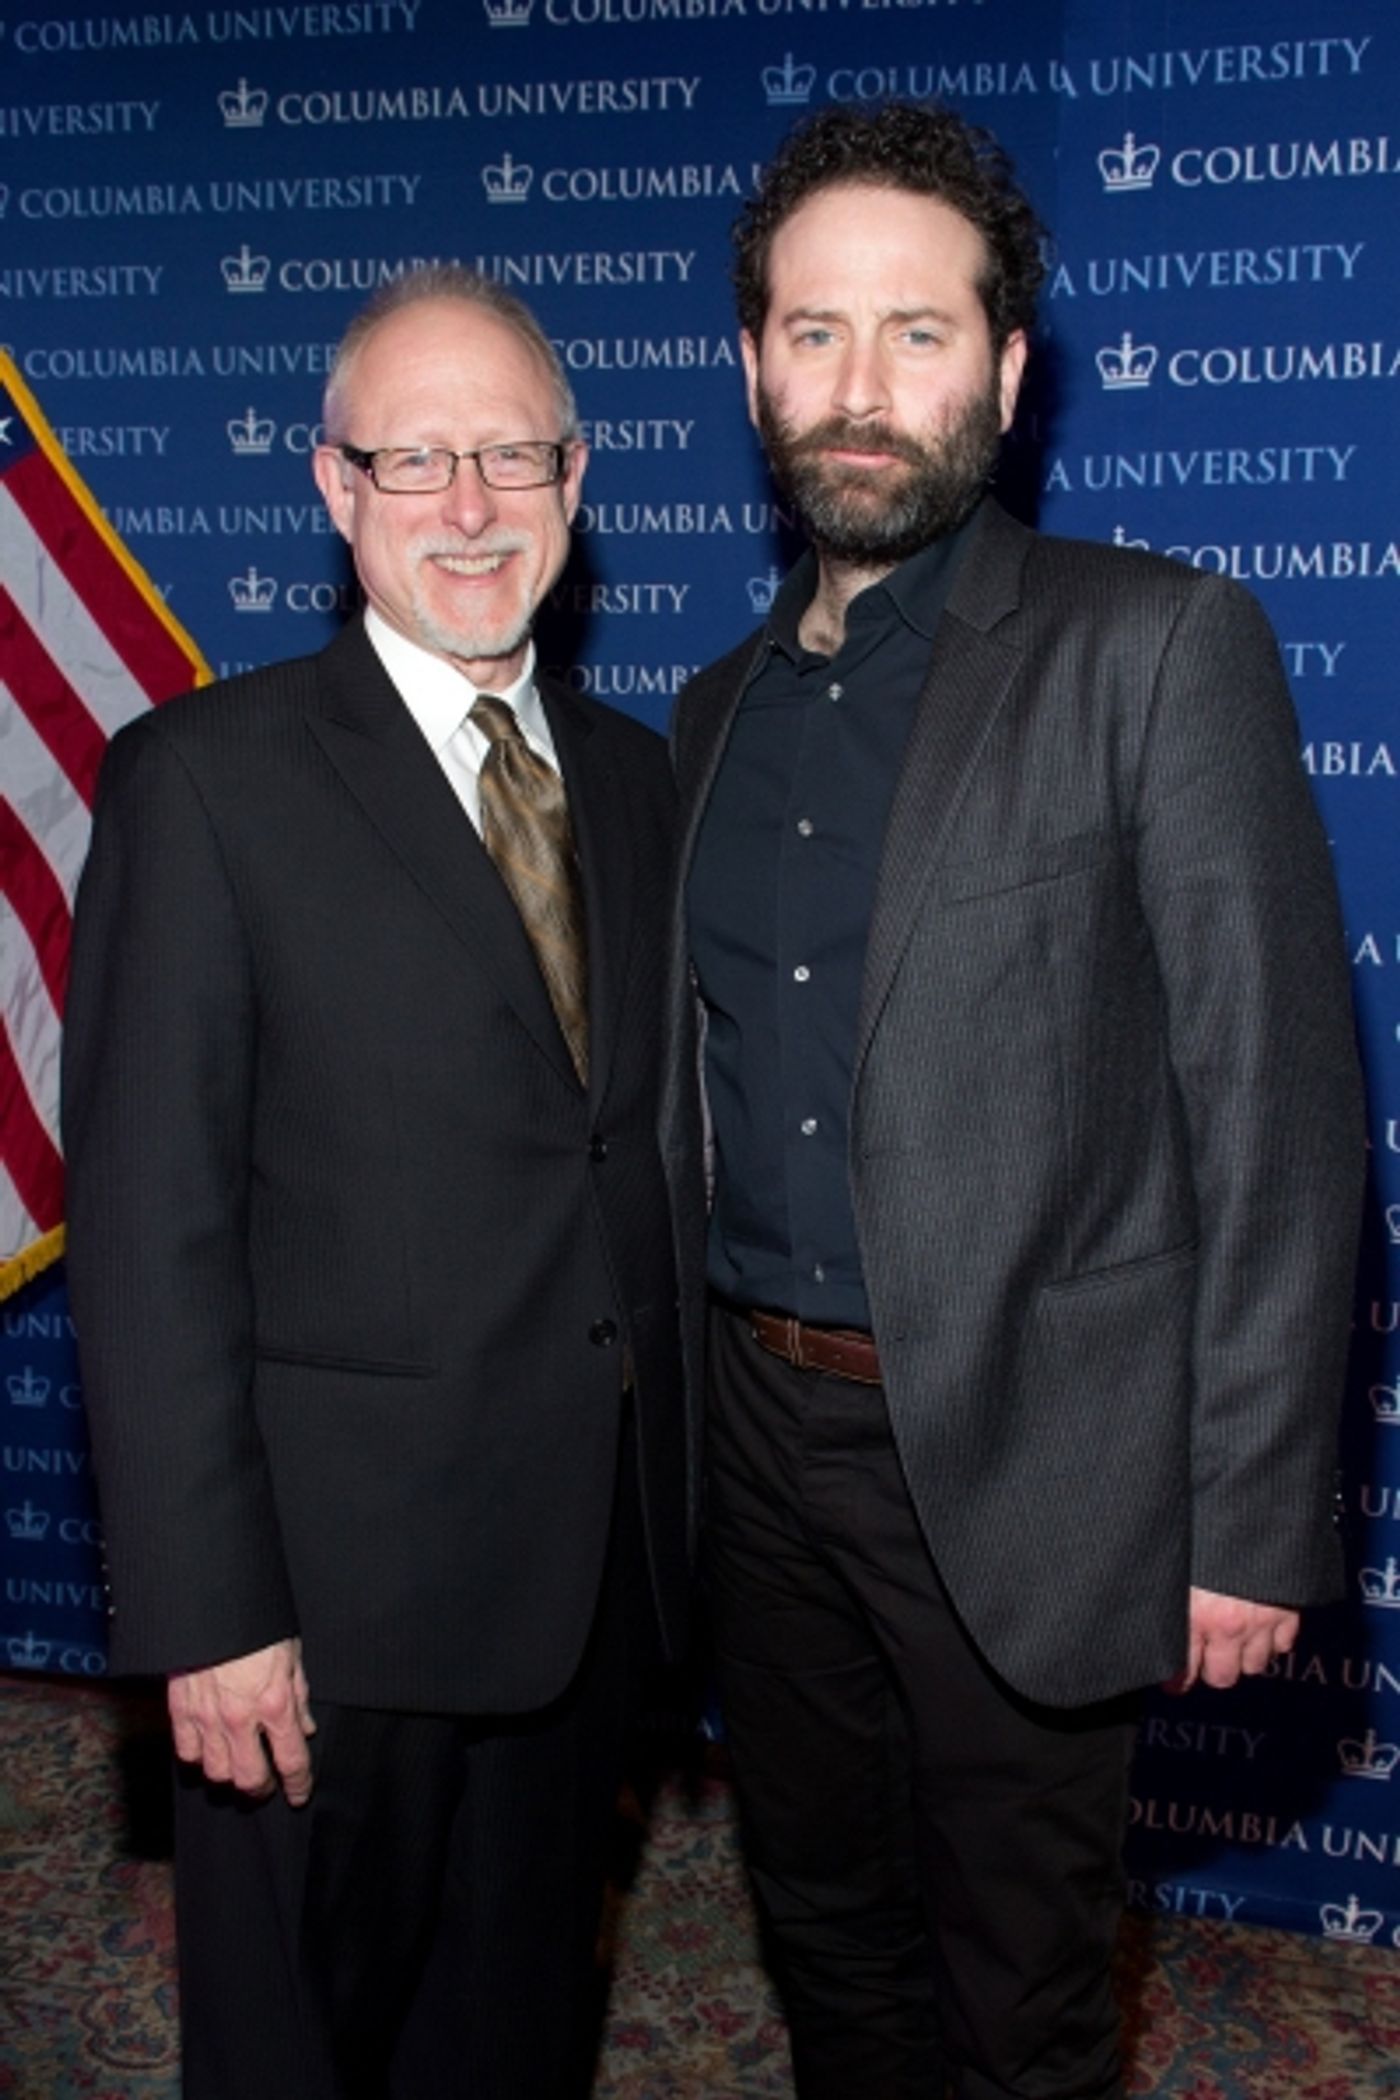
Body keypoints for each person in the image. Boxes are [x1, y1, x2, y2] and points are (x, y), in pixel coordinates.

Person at [662, 102, 1365, 2100]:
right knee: (827, 1934)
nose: (860, 387)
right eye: (813, 333)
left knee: (1023, 1989)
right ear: (749, 369)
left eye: (916, 332)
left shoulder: (1154, 647)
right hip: (758, 1457)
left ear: (1006, 369)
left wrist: (1245, 1518)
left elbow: (1279, 1118)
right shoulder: (712, 712)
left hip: (1024, 1467)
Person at [63, 265, 694, 2100]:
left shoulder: (652, 783)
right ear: (332, 488)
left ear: (578, 483)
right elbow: (153, 1232)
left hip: (588, 1586)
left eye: (510, 454)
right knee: (301, 2053)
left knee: (512, 2042)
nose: (471, 507)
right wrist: (211, 1614)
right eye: (416, 461)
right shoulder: (203, 783)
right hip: (324, 1617)